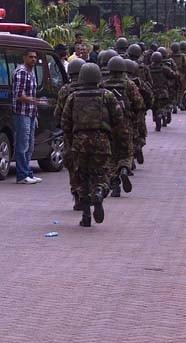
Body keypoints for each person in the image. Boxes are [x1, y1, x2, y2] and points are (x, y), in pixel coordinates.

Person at [60, 63, 129, 227]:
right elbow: (119, 120)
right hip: (102, 141)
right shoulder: (107, 96)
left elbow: (64, 122)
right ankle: (99, 192)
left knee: (82, 177)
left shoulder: (73, 97)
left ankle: (86, 216)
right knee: (102, 174)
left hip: (79, 142)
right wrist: (121, 142)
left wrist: (70, 142)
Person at [100, 56, 143, 197]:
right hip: (126, 124)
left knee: (111, 156)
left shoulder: (103, 85)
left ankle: (115, 184)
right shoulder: (129, 84)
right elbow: (139, 103)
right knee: (126, 152)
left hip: (108, 125)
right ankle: (124, 169)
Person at [54, 58, 85, 210]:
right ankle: (97, 190)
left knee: (73, 166)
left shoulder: (65, 90)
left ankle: (77, 194)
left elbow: (59, 114)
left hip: (71, 135)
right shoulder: (97, 89)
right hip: (96, 135)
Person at [11, 49, 42, 185]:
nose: (33, 59)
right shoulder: (22, 72)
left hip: (30, 112)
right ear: (24, 58)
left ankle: (27, 172)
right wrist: (34, 101)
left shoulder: (31, 72)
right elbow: (19, 95)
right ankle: (22, 174)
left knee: (29, 145)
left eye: (35, 57)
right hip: (22, 112)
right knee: (22, 144)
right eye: (31, 57)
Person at [125, 59, 154, 165]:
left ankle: (129, 158)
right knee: (140, 133)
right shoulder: (137, 82)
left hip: (122, 116)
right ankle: (138, 146)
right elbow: (148, 96)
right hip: (137, 114)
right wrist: (146, 108)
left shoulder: (109, 83)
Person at [149, 51, 175, 132]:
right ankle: (162, 115)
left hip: (152, 91)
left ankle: (157, 118)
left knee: (154, 106)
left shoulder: (148, 68)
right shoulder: (164, 68)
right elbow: (173, 75)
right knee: (163, 105)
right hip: (163, 91)